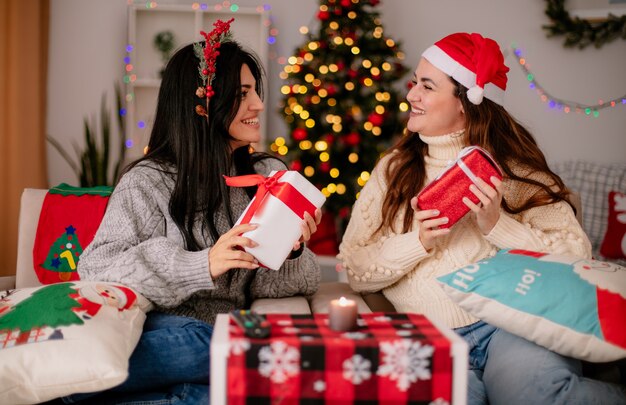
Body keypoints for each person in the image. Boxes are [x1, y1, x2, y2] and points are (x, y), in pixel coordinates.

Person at [338, 32, 626, 404]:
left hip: (511, 326)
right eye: (415, 83)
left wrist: (497, 226)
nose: (411, 95)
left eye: (427, 86)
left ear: (465, 103)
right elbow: (355, 266)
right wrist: (420, 241)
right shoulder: (393, 170)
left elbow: (576, 254)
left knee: (538, 396)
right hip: (433, 341)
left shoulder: (515, 173)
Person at [64, 19, 322, 404]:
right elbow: (95, 268)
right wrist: (202, 264)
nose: (258, 105)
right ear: (203, 103)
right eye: (243, 93)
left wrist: (290, 249)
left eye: (256, 91)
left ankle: (79, 391)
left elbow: (281, 283)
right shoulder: (147, 181)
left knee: (208, 386)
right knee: (211, 342)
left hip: (208, 345)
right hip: (160, 333)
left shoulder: (268, 175)